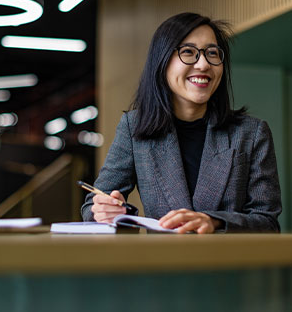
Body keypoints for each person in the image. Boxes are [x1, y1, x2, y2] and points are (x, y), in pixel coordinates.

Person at [81, 12, 282, 233]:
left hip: (230, 263)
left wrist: (214, 221)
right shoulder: (133, 128)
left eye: (212, 53)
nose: (204, 64)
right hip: (164, 263)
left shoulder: (251, 133)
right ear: (163, 60)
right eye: (188, 52)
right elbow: (92, 204)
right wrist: (108, 212)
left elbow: (267, 222)